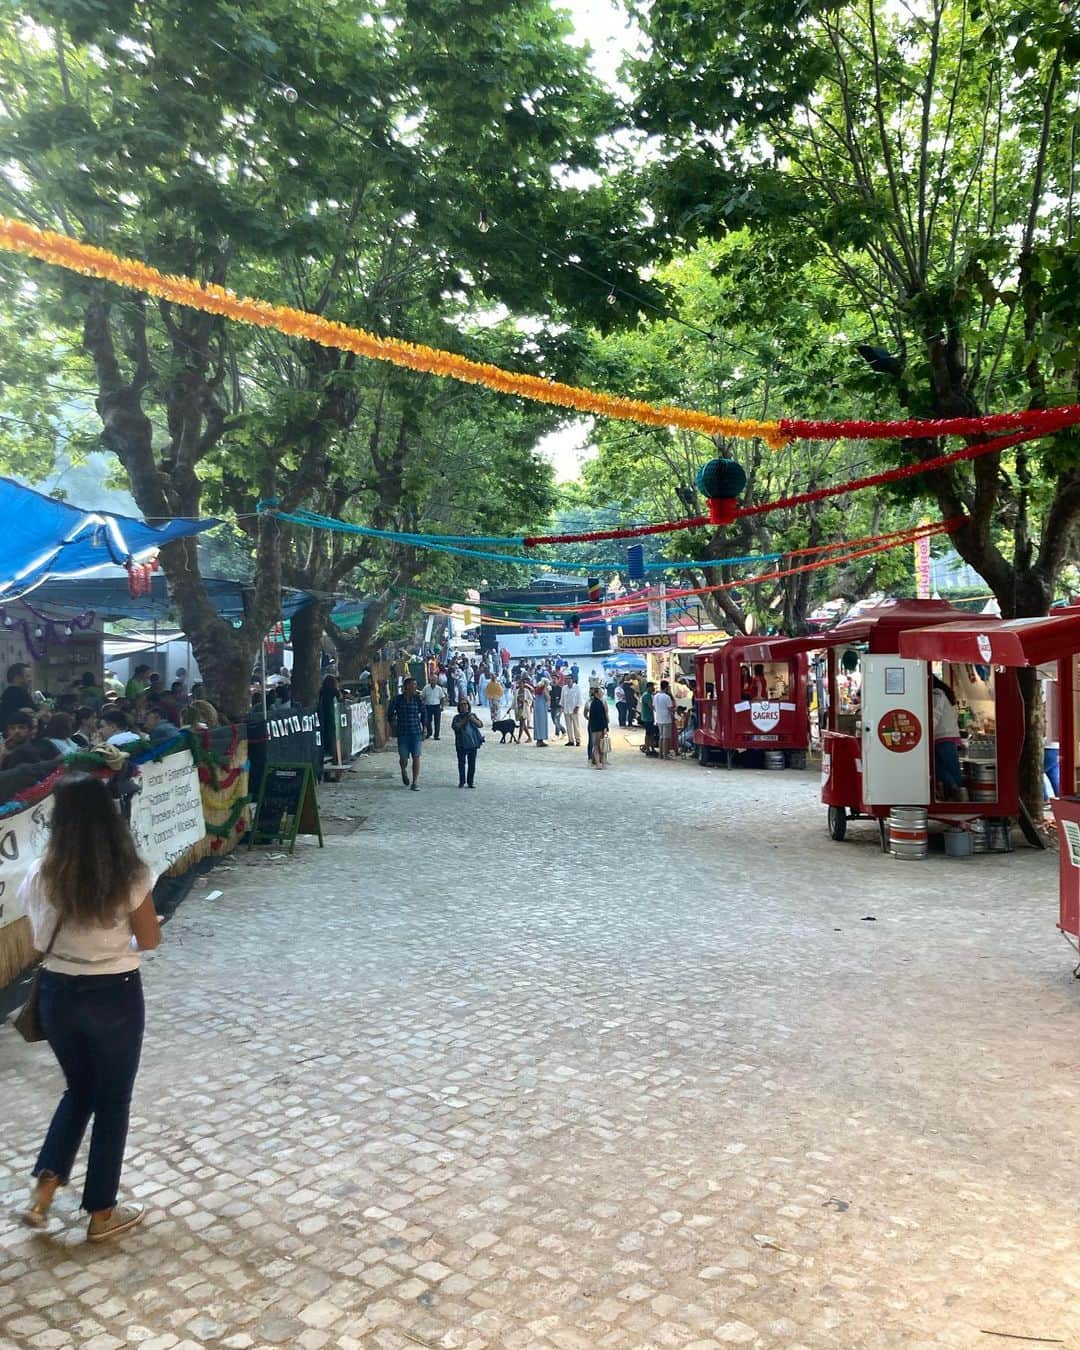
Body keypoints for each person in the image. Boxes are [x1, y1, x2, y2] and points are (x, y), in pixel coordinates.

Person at [18, 773, 161, 1242]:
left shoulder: (42, 873)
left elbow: (37, 936)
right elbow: (150, 938)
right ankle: (101, 1211)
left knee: (78, 1091)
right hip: (114, 990)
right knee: (112, 1101)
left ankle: (44, 1190)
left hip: (59, 989)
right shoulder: (130, 874)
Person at [932, 675, 967, 801]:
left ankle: (958, 792)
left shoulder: (937, 694)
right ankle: (955, 790)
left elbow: (934, 714)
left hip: (943, 736)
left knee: (946, 766)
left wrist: (925, 730)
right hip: (943, 736)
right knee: (939, 766)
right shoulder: (941, 693)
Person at [388, 677, 424, 790]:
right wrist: (392, 723)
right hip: (403, 732)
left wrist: (426, 726)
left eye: (416, 685)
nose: (415, 687)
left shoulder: (418, 699)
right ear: (407, 686)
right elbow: (390, 713)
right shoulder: (397, 700)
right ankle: (403, 770)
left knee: (416, 756)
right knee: (403, 758)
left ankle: (415, 781)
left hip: (416, 732)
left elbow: (424, 713)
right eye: (413, 685)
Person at [451, 697, 484, 788]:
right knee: (461, 764)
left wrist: (472, 719)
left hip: (473, 744)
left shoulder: (472, 715)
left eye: (465, 704)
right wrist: (465, 720)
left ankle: (470, 781)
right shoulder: (456, 718)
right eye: (461, 704)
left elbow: (480, 725)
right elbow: (456, 727)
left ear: (468, 706)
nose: (463, 706)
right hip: (461, 744)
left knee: (472, 764)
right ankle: (462, 781)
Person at [1, 662, 35, 732]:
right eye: (28, 676)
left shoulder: (20, 692)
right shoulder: (13, 694)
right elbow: (24, 717)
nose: (30, 679)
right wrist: (42, 711)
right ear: (17, 678)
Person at [587, 685, 610, 768]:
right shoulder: (597, 703)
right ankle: (598, 763)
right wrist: (605, 727)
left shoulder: (597, 703)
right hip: (598, 727)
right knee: (597, 745)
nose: (601, 694)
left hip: (596, 727)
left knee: (599, 746)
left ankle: (600, 762)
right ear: (596, 694)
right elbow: (601, 717)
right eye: (600, 693)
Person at [653, 680, 676, 759]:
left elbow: (654, 707)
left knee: (661, 737)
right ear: (666, 687)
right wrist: (675, 710)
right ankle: (665, 754)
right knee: (666, 738)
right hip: (666, 719)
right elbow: (670, 708)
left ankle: (660, 754)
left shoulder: (656, 696)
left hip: (659, 718)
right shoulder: (667, 697)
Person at [421, 676, 447, 741]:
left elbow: (442, 698)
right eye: (432, 680)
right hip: (428, 706)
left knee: (437, 721)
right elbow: (422, 696)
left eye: (434, 680)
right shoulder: (426, 688)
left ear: (436, 681)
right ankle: (429, 733)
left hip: (436, 706)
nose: (433, 681)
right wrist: (423, 704)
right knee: (428, 721)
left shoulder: (439, 688)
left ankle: (436, 735)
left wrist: (442, 706)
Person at [562, 675, 583, 747]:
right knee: (568, 726)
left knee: (576, 726)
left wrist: (577, 707)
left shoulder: (577, 687)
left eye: (569, 679)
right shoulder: (564, 688)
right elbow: (562, 699)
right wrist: (562, 707)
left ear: (572, 680)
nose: (567, 680)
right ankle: (570, 740)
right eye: (566, 679)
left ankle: (578, 740)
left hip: (574, 710)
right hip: (566, 709)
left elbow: (579, 698)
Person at [640, 681, 658, 756]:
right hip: (647, 717)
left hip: (648, 717)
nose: (654, 688)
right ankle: (648, 748)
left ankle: (651, 748)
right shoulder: (647, 696)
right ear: (649, 687)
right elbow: (650, 706)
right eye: (652, 687)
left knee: (651, 734)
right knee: (648, 734)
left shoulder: (648, 695)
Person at [532, 675, 551, 747]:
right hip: (542, 707)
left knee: (537, 723)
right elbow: (547, 697)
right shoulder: (544, 688)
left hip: (537, 706)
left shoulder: (538, 688)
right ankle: (540, 740)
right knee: (542, 723)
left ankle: (538, 739)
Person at [514, 678, 533, 743]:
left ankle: (518, 739)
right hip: (519, 709)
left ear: (523, 684)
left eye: (521, 683)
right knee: (523, 724)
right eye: (519, 683)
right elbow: (514, 700)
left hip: (524, 709)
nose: (520, 685)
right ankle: (529, 737)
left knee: (522, 724)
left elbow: (531, 699)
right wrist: (510, 708)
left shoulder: (526, 691)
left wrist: (526, 701)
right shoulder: (517, 691)